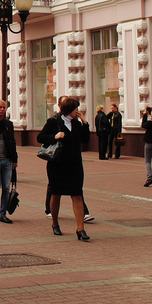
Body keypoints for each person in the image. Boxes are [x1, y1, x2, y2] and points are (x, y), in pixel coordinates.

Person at [37, 97, 91, 241]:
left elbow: (85, 140)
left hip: (75, 165)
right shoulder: (54, 122)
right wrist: (55, 136)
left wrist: (85, 122)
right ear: (68, 110)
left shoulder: (77, 124)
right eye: (75, 109)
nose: (77, 112)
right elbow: (40, 137)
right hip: (58, 165)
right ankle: (55, 223)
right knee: (56, 194)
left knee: (77, 195)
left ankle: (81, 229)